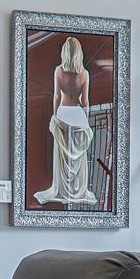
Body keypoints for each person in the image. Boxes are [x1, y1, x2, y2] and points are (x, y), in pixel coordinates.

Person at [33, 35, 96, 206]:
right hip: (78, 114)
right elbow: (85, 101)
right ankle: (78, 190)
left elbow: (56, 96)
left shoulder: (59, 71)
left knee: (62, 157)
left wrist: (54, 115)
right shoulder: (84, 74)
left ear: (65, 53)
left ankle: (62, 188)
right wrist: (86, 117)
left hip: (63, 113)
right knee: (78, 159)